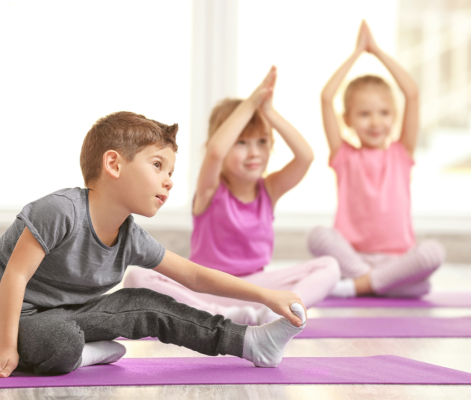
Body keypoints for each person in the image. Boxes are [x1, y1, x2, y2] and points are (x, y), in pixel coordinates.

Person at [0, 112, 307, 377]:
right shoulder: (59, 211)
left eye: (171, 172)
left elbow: (195, 276)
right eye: (158, 165)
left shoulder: (131, 237)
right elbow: (15, 275)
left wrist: (267, 297)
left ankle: (250, 343)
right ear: (114, 165)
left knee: (147, 302)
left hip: (69, 316)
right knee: (61, 341)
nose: (169, 181)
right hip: (14, 317)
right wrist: (7, 347)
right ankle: (85, 354)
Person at [124, 67, 340, 325]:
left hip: (254, 290)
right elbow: (215, 151)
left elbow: (305, 156)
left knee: (330, 266)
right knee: (137, 277)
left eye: (261, 142)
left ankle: (279, 311)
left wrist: (268, 111)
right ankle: (218, 314)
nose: (254, 153)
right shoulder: (210, 189)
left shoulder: (269, 190)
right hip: (206, 287)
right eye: (241, 142)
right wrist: (251, 102)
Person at [307, 21, 445, 298]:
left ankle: (360, 286)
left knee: (433, 253)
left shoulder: (401, 153)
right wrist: (357, 53)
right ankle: (375, 283)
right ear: (347, 119)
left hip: (396, 260)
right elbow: (326, 97)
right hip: (353, 258)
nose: (375, 122)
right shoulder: (344, 155)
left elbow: (412, 94)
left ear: (394, 116)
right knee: (318, 236)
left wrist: (377, 52)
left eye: (384, 113)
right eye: (364, 114)